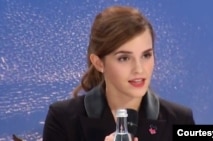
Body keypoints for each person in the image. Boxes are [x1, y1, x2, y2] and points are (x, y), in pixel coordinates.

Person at [42, 5, 195, 141]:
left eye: (146, 55)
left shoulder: (180, 120)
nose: (139, 69)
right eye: (124, 58)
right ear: (99, 63)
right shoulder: (62, 119)